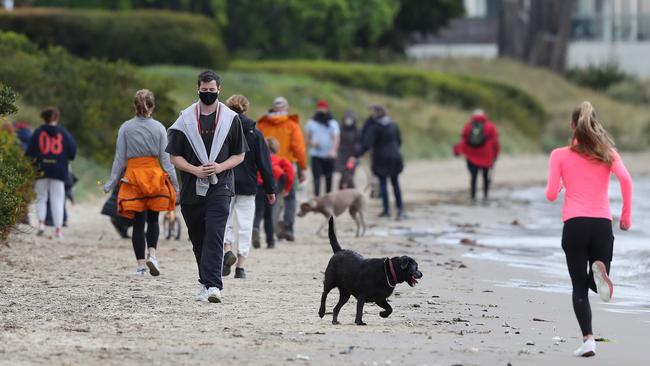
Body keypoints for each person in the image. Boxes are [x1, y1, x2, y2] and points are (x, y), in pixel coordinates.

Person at [545, 101, 632, 358]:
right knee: (597, 278)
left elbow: (550, 195)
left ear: (572, 126)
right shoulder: (607, 153)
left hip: (574, 225)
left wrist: (561, 185)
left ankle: (588, 340)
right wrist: (625, 217)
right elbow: (626, 180)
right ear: (595, 125)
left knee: (578, 286)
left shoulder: (559, 155)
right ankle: (600, 272)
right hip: (602, 225)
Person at [166, 70, 247, 303]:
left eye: (212, 90)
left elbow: (239, 155)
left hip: (220, 185)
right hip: (192, 186)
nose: (208, 94)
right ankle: (204, 281)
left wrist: (220, 167)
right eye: (205, 90)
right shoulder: (185, 120)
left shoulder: (231, 119)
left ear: (219, 90)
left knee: (214, 232)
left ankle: (214, 286)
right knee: (198, 237)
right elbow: (174, 157)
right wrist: (194, 169)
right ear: (198, 89)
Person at [104, 89, 179, 277]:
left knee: (138, 222)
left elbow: (119, 159)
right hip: (154, 175)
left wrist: (112, 182)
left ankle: (140, 266)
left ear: (134, 106)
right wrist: (176, 184)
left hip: (133, 176)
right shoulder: (160, 128)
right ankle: (152, 254)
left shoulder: (125, 128)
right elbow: (166, 159)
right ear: (152, 107)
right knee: (153, 219)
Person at [222, 94, 276, 279]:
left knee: (224, 220)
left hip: (225, 182)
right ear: (246, 108)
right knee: (245, 225)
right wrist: (270, 189)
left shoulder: (223, 129)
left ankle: (227, 249)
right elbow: (265, 164)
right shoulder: (255, 133)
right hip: (248, 185)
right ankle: (241, 267)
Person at [257, 97, 307, 242]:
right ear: (286, 108)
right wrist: (303, 167)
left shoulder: (263, 124)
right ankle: (288, 228)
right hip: (286, 167)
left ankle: (270, 231)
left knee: (270, 198)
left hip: (266, 166)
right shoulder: (291, 125)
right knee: (290, 198)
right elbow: (299, 148)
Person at [26, 107, 77, 239]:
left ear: (43, 118)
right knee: (58, 199)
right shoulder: (63, 132)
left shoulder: (38, 132)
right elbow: (72, 150)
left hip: (41, 169)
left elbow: (30, 152)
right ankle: (58, 230)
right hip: (59, 170)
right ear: (56, 118)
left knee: (41, 196)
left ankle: (41, 224)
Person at [350, 105, 405, 221]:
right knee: (395, 183)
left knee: (384, 184)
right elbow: (399, 142)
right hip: (395, 157)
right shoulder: (394, 125)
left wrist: (355, 155)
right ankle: (400, 210)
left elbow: (367, 144)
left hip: (381, 158)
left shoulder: (375, 127)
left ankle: (386, 210)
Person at [253, 137, 295, 249]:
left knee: (258, 212)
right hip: (272, 187)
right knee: (269, 216)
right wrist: (287, 188)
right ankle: (270, 241)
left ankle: (255, 228)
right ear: (276, 148)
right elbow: (290, 173)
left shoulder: (258, 158)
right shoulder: (281, 160)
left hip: (257, 186)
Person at [453, 109, 500, 202]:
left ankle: (473, 196)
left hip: (471, 155)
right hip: (487, 155)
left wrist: (457, 150)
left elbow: (464, 140)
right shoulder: (490, 126)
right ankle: (485, 196)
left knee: (473, 176)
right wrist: (495, 156)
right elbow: (496, 143)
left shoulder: (468, 126)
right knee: (485, 176)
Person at [305, 100, 340, 196]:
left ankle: (328, 198)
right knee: (316, 177)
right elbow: (307, 139)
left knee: (329, 178)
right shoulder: (311, 123)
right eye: (320, 107)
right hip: (316, 154)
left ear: (327, 109)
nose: (321, 110)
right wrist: (312, 143)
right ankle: (317, 198)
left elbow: (336, 137)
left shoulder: (333, 123)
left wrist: (333, 150)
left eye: (323, 108)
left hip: (329, 155)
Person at [336, 111, 360, 189]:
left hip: (352, 156)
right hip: (341, 155)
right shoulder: (340, 129)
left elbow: (359, 143)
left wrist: (355, 154)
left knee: (349, 175)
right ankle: (342, 191)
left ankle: (351, 192)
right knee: (343, 174)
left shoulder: (357, 131)